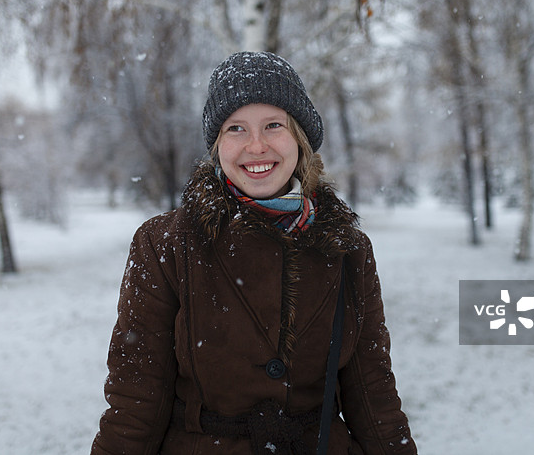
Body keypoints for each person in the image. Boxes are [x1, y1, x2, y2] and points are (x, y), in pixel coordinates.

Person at [91, 51, 417, 455]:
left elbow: (374, 395)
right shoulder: (164, 245)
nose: (256, 145)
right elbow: (135, 399)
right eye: (236, 128)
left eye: (273, 125)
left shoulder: (347, 249)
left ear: (299, 137)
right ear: (217, 145)